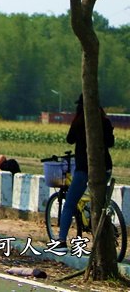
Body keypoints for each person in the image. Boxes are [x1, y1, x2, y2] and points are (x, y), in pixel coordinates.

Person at [57, 94, 115, 247]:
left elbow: (69, 139)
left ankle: (62, 240)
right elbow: (111, 142)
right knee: (100, 202)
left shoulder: (79, 123)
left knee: (69, 204)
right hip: (105, 168)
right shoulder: (104, 121)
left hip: (84, 169)